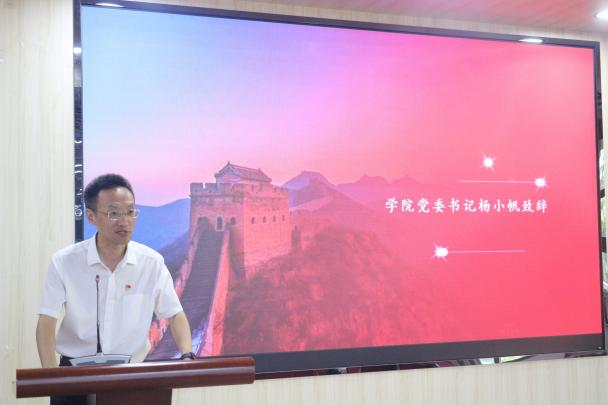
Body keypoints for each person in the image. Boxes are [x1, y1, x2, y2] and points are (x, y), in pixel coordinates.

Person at [36, 174, 193, 404]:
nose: (124, 221)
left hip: (132, 376)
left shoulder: (151, 263)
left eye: (130, 212)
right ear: (91, 216)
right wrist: (52, 378)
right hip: (74, 377)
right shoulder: (65, 262)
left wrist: (187, 356)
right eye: (113, 213)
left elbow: (175, 314)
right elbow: (46, 321)